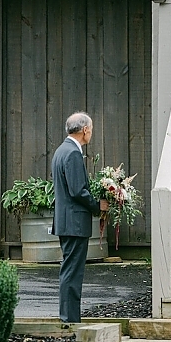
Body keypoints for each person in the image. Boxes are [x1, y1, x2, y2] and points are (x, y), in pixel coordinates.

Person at [51, 111, 109, 323]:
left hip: (66, 221)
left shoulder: (60, 151)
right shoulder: (73, 154)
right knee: (73, 273)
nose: (91, 133)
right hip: (74, 223)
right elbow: (77, 191)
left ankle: (68, 317)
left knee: (69, 270)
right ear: (85, 129)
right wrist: (97, 205)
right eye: (91, 129)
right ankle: (70, 320)